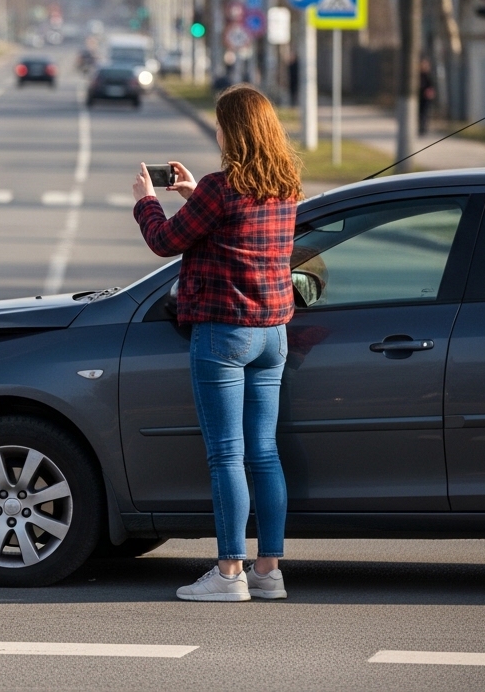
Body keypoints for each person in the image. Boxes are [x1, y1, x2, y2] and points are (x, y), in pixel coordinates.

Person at [132, 84, 302, 603]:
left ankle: (230, 573)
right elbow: (230, 225)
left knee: (227, 455)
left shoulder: (220, 188)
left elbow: (165, 240)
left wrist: (147, 202)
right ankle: (268, 570)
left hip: (225, 333)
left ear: (233, 131)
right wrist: (189, 196)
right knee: (265, 453)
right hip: (273, 334)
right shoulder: (286, 185)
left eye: (221, 124)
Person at [418, 58, 436, 136]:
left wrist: (430, 92)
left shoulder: (429, 76)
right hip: (419, 97)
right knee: (420, 114)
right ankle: (421, 128)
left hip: (426, 98)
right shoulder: (418, 76)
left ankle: (424, 128)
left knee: (425, 113)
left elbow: (432, 86)